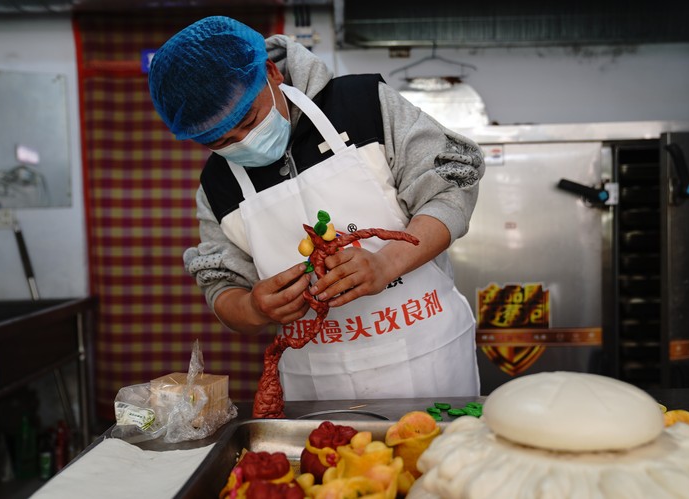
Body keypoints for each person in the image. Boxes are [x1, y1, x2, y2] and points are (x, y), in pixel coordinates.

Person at [148, 16, 485, 401]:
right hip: (317, 386)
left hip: (429, 361)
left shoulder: (363, 105)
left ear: (271, 73)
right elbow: (221, 288)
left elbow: (450, 190)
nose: (244, 142)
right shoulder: (217, 186)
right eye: (223, 141)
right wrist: (255, 307)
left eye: (250, 120)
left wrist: (385, 263)